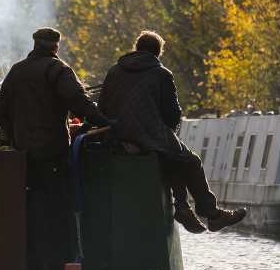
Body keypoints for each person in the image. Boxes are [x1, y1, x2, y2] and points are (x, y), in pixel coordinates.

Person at [98, 30, 246, 234]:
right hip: (149, 137)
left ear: (136, 48)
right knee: (190, 161)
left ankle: (184, 205)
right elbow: (173, 114)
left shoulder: (114, 71)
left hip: (115, 137)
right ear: (158, 53)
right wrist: (164, 128)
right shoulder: (162, 73)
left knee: (171, 152)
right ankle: (210, 213)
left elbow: (102, 108)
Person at [0, 27, 113, 270]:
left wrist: (16, 140)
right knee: (58, 208)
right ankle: (58, 267)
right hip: (53, 152)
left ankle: (31, 266)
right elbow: (78, 102)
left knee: (32, 207)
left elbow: (1, 112)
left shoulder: (16, 71)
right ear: (56, 48)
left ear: (35, 44)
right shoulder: (58, 70)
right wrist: (104, 122)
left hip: (24, 154)